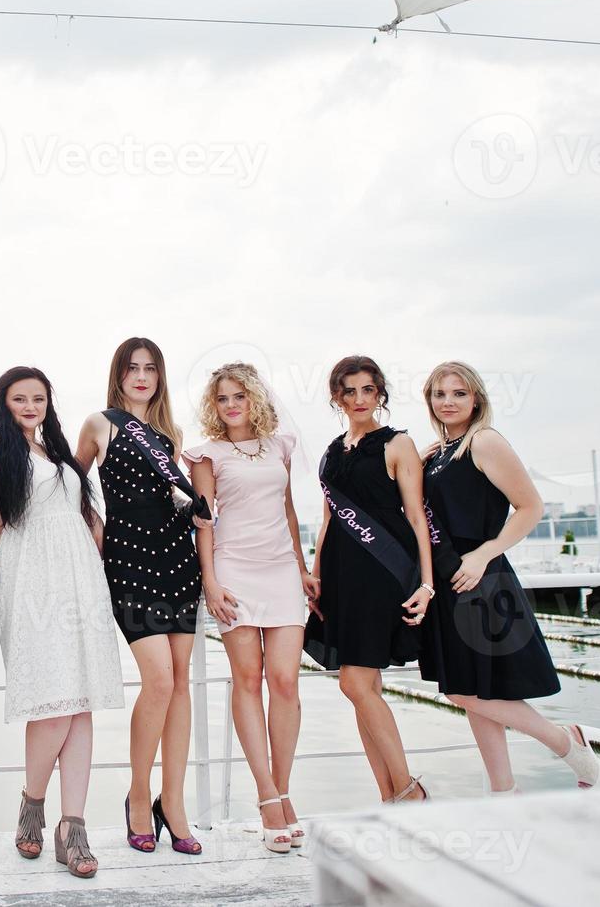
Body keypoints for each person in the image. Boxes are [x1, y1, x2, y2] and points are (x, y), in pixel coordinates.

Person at [0, 366, 124, 878]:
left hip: (81, 579)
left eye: (39, 399)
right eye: (20, 399)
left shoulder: (58, 450)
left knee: (82, 700)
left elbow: (85, 514)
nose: (30, 407)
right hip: (34, 577)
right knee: (53, 702)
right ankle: (32, 803)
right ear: (4, 403)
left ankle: (73, 827)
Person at [419, 361, 600, 792]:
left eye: (459, 393)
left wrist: (484, 554)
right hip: (451, 580)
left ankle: (566, 742)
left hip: (480, 578)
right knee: (477, 692)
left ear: (477, 399)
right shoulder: (440, 451)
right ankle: (504, 792)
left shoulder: (484, 441)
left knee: (462, 691)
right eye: (440, 394)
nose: (449, 401)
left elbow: (531, 507)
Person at [76, 337, 204, 855]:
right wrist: (98, 529)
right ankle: (137, 795)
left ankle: (172, 802)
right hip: (130, 565)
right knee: (159, 681)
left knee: (180, 687)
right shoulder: (99, 424)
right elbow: (68, 484)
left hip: (178, 561)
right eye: (133, 368)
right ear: (119, 374)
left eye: (151, 368)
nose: (142, 376)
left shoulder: (169, 436)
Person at [182, 362, 311, 852]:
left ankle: (282, 787)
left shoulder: (281, 446)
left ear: (255, 398)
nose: (231, 405)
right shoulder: (207, 455)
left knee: (285, 681)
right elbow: (204, 520)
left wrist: (301, 567)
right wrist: (210, 583)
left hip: (281, 572)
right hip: (233, 570)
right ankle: (266, 796)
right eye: (222, 399)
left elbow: (289, 510)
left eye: (239, 396)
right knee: (247, 679)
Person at [303, 356, 434, 804]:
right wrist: (316, 575)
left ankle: (409, 789)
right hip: (340, 573)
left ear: (380, 393)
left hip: (381, 571)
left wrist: (427, 584)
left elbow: (417, 518)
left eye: (368, 390)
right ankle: (389, 798)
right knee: (365, 689)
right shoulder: (333, 450)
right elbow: (326, 520)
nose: (359, 399)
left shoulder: (397, 444)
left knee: (354, 684)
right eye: (349, 391)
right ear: (336, 397)